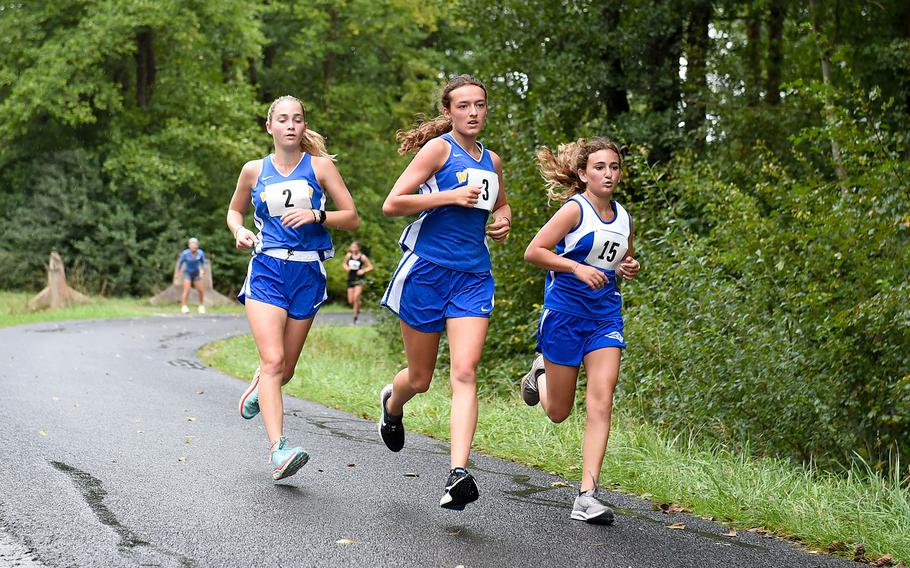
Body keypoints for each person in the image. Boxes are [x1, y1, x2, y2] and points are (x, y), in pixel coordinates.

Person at [378, 74, 511, 510]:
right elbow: (393, 203)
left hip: (472, 275)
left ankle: (458, 473)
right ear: (449, 112)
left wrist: (504, 218)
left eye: (480, 104)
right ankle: (392, 404)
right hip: (427, 272)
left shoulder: (491, 159)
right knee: (420, 378)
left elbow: (501, 202)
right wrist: (448, 196)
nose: (473, 112)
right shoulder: (438, 150)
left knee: (466, 371)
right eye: (464, 106)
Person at [226, 95, 360, 481]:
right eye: (282, 119)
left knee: (284, 369)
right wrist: (240, 230)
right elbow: (235, 210)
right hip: (267, 269)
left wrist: (317, 214)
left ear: (303, 127)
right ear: (269, 126)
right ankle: (279, 450)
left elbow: (351, 217)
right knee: (272, 362)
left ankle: (257, 388)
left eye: (297, 119)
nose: (290, 125)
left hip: (308, 274)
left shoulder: (319, 168)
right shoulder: (253, 170)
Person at [521, 137, 640, 524]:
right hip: (565, 315)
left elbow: (620, 259)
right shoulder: (575, 210)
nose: (609, 174)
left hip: (605, 318)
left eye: (615, 167)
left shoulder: (624, 217)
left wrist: (626, 268)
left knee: (601, 400)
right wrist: (575, 268)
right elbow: (534, 251)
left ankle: (587, 495)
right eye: (601, 167)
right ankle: (540, 373)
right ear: (584, 173)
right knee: (558, 411)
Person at [343, 241, 373, 323]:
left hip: (359, 279)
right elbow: (344, 264)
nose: (354, 248)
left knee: (356, 297)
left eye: (355, 247)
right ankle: (358, 304)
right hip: (351, 278)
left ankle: (355, 317)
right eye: (352, 247)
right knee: (351, 300)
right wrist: (347, 268)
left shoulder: (362, 257)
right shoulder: (348, 256)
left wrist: (363, 270)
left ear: (359, 248)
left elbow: (370, 266)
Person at [177, 238, 206, 314]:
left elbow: (203, 263)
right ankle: (184, 306)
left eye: (195, 245)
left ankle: (201, 306)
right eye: (192, 245)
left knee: (200, 290)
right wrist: (178, 273)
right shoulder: (185, 253)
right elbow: (180, 263)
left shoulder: (200, 253)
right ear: (189, 245)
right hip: (188, 273)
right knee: (187, 290)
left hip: (196, 273)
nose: (194, 247)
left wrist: (202, 271)